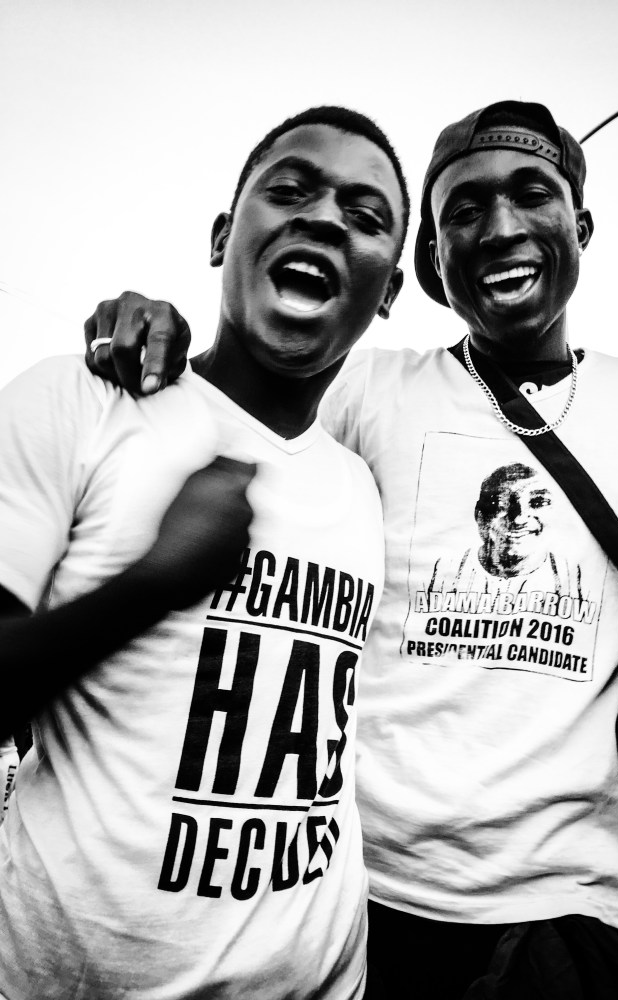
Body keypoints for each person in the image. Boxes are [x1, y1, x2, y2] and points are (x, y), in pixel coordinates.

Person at [82, 102, 618, 999]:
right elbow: (225, 411)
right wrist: (151, 337)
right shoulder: (368, 388)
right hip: (360, 896)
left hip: (574, 905)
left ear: (581, 227)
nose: (500, 228)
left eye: (533, 194)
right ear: (433, 258)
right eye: (463, 211)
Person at [0, 105, 407, 1000]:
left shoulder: (364, 481)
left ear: (389, 289)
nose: (324, 217)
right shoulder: (83, 402)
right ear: (225, 236)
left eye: (365, 215)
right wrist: (155, 583)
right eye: (290, 191)